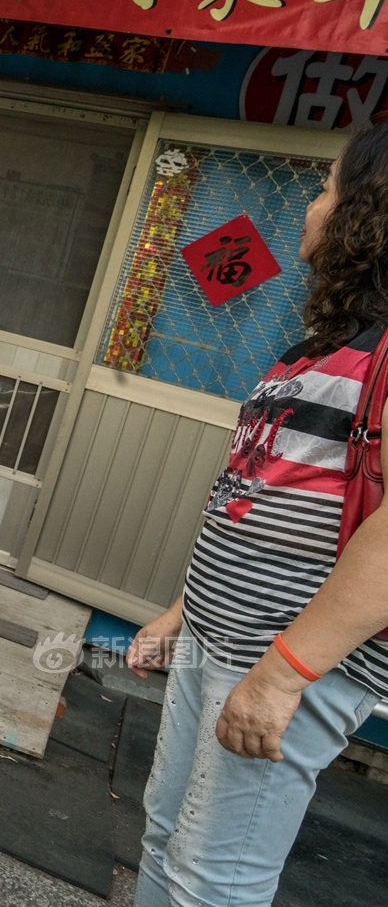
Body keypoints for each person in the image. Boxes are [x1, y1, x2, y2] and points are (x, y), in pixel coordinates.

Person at [127, 125, 388, 907]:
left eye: (327, 188)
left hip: (282, 665)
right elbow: (249, 492)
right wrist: (182, 612)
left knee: (215, 883)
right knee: (164, 837)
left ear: (365, 215)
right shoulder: (313, 353)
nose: (311, 207)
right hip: (218, 639)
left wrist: (281, 678)